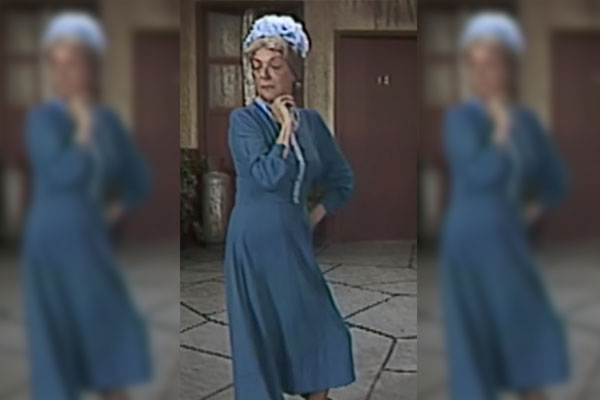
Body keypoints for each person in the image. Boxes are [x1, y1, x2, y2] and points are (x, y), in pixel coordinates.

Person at [224, 14, 356, 400]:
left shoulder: (312, 123)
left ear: (294, 71)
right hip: (254, 237)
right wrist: (283, 130)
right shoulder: (243, 121)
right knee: (261, 332)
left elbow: (342, 179)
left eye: (275, 66)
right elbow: (266, 175)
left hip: (294, 237)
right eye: (257, 67)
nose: (264, 76)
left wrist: (313, 215)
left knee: (319, 325)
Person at [440, 12, 570, 400]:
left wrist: (534, 208)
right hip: (468, 242)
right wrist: (499, 131)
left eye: (491, 65)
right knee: (477, 346)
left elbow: (556, 178)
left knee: (531, 335)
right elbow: (479, 173)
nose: (481, 75)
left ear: (508, 69)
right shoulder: (460, 120)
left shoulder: (527, 122)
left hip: (510, 242)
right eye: (474, 66)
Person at [22, 12, 151, 400]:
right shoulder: (42, 120)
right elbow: (62, 173)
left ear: (91, 69)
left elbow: (138, 178)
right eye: (56, 66)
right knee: (57, 342)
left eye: (72, 65)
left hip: (92, 243)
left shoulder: (108, 122)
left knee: (111, 332)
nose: (62, 75)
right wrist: (81, 131)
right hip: (50, 242)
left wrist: (116, 208)